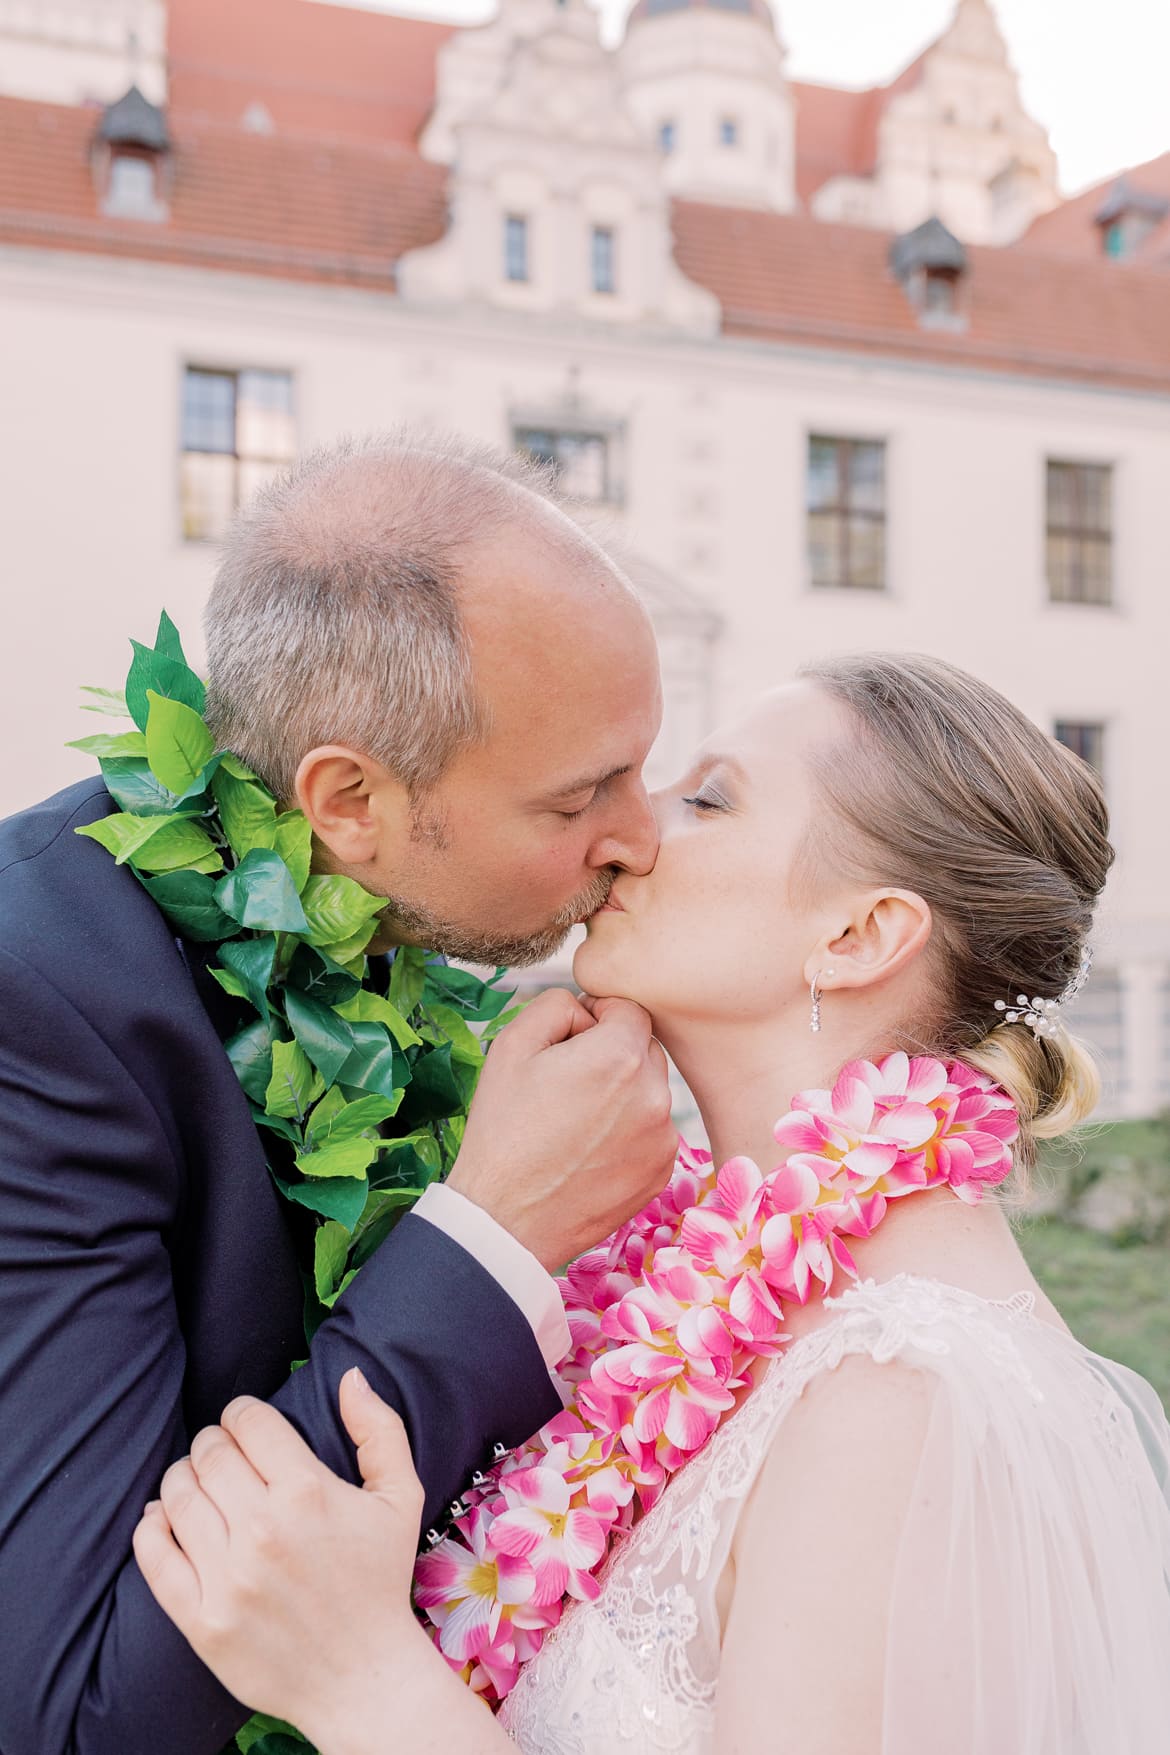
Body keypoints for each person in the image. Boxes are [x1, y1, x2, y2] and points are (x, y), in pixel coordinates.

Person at [136, 654, 1170, 1753]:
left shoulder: (898, 1398)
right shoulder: (663, 1282)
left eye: (707, 798)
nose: (628, 831)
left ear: (858, 937)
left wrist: (363, 1684)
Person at [0, 436, 681, 1755]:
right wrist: (489, 1237)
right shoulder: (36, 1007)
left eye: (645, 768)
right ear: (348, 799)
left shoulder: (405, 955)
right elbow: (76, 1712)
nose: (639, 835)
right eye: (582, 792)